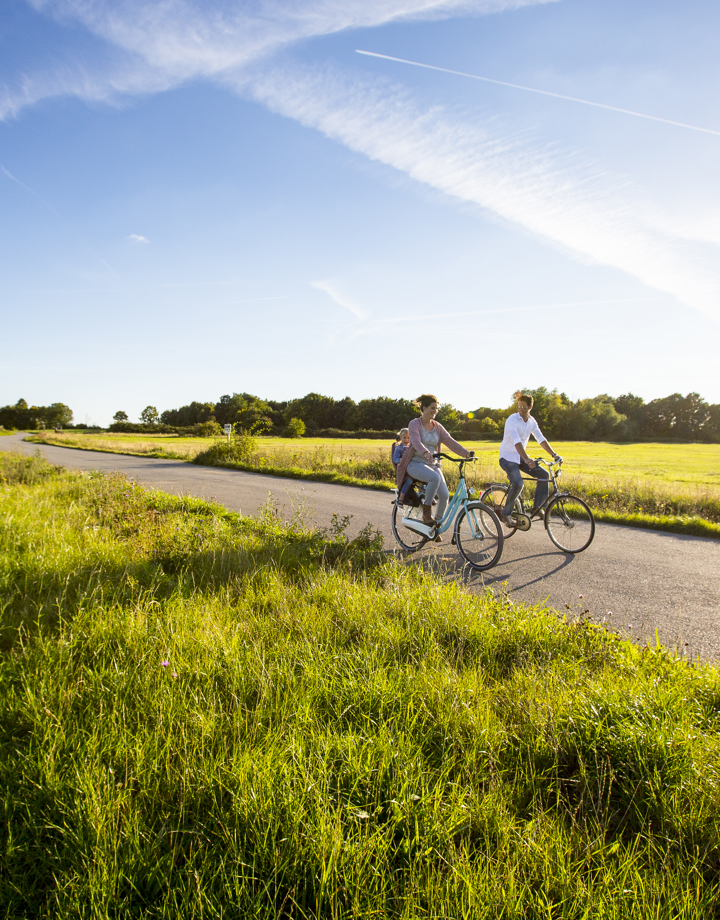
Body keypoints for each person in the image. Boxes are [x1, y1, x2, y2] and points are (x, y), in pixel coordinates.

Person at [395, 394, 474, 528]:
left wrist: (466, 453)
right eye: (432, 408)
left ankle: (435, 526)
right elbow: (415, 441)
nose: (435, 411)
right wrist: (426, 452)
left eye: (436, 408)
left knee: (444, 495)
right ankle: (426, 513)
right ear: (424, 408)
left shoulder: (438, 427)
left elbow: (450, 442)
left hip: (432, 464)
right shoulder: (415, 423)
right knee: (434, 478)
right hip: (415, 463)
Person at [498, 391, 561, 526]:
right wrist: (526, 459)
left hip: (520, 457)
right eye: (519, 407)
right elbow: (516, 441)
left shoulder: (532, 422)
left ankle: (537, 508)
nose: (520, 410)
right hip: (507, 457)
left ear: (530, 407)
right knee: (518, 484)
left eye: (524, 408)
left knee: (543, 474)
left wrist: (554, 454)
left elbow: (541, 438)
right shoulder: (512, 420)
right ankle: (505, 514)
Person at [391, 428, 416, 505]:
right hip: (404, 471)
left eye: (408, 438)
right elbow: (395, 459)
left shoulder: (412, 447)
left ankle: (426, 497)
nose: (406, 440)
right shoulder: (399, 448)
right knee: (409, 481)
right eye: (404, 438)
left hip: (412, 468)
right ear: (401, 438)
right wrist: (402, 460)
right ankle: (401, 498)